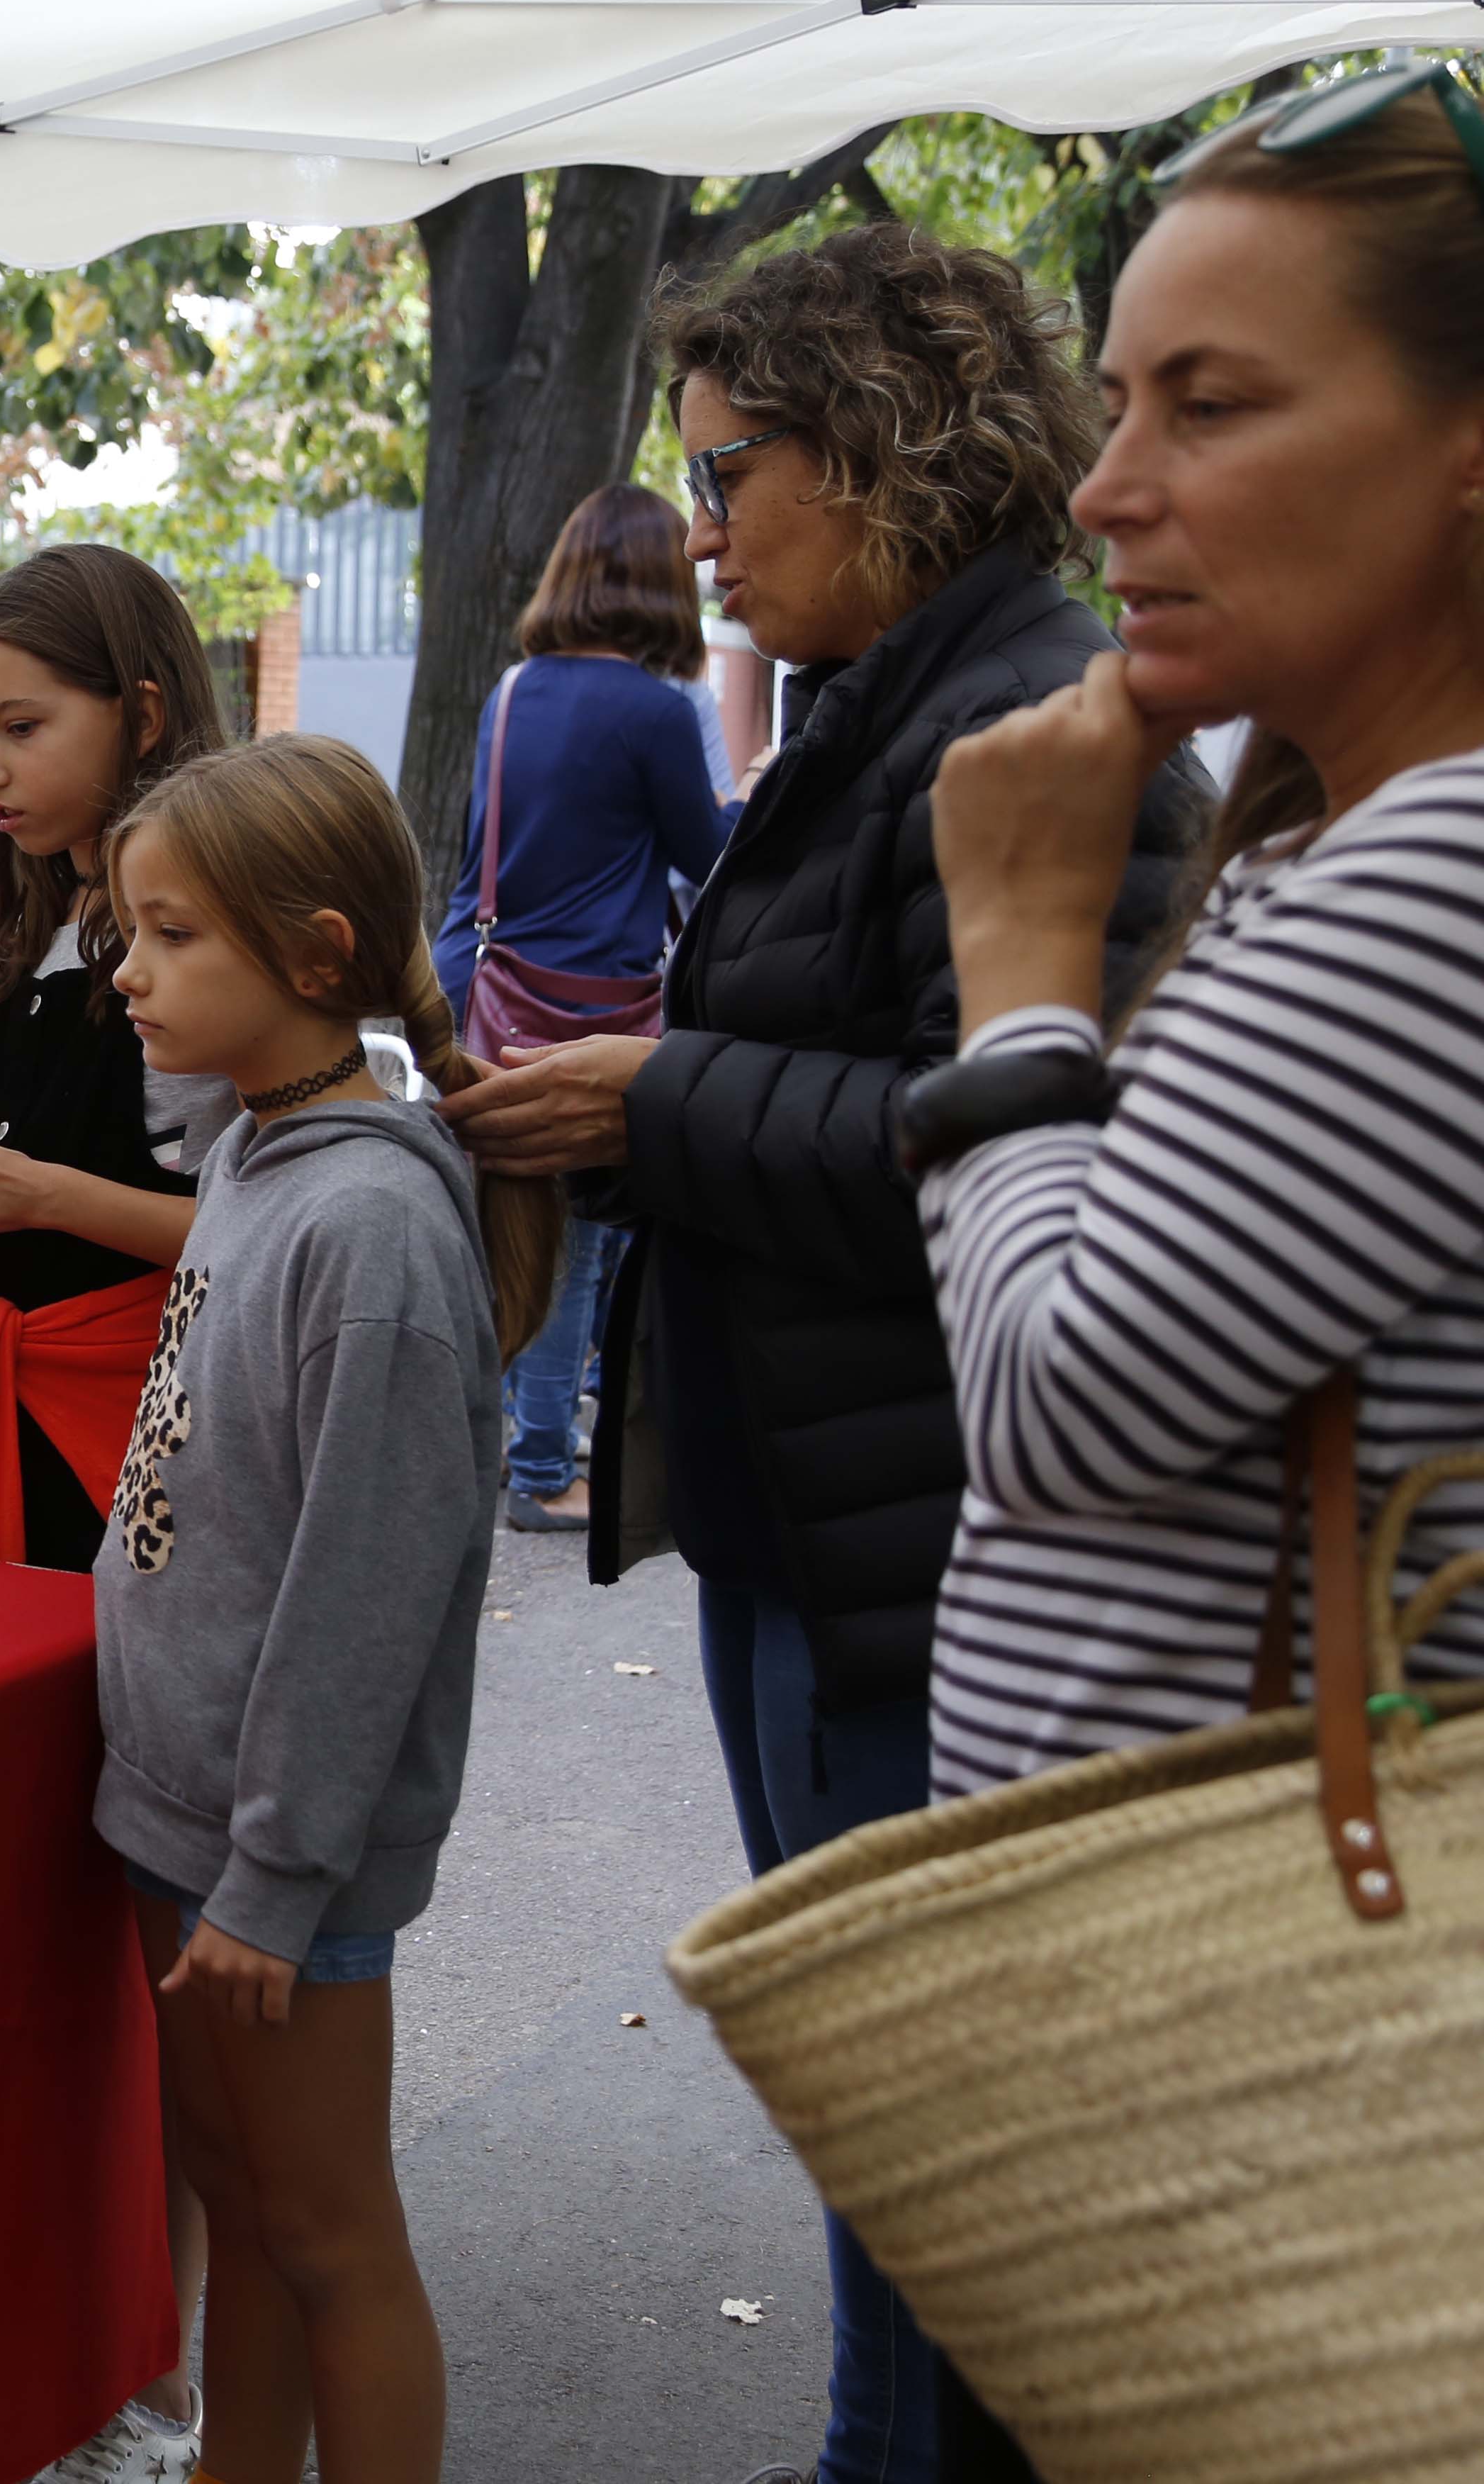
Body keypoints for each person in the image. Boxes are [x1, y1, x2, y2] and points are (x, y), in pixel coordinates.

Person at [436, 220, 1213, 2484]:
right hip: (818, 1518)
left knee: (942, 2139)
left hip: (929, 1552)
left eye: (731, 467)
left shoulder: (1038, 722)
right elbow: (875, 1057)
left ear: (888, 446)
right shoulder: (893, 697)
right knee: (883, 2113)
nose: (700, 527)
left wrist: (652, 1099)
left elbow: (1013, 1130)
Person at [909, 67, 1484, 2481]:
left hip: (1236, 2007)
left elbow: (1055, 1399)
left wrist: (1020, 950)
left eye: (1211, 402)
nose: (1107, 482)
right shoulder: (1343, 838)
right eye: (1118, 393)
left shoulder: (1427, 874)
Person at [98, 733, 558, 2484]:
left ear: (307, 953)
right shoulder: (258, 1150)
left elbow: (358, 1598)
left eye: (170, 936)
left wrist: (276, 1880)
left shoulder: (367, 1233)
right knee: (242, 2195)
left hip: (271, 1861)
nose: (127, 971)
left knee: (330, 2233)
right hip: (190, 1818)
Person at [0, 544, 230, 1576]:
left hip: (125, 1459)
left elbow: (268, 1237)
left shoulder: (201, 947)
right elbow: (48, 1172)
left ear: (144, 717)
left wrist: (42, 1193)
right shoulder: (43, 923)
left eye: (22, 729)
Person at [428, 483, 729, 1535]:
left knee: (511, 1229)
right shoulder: (651, 709)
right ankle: (546, 1465)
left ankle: (527, 1433)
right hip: (583, 1004)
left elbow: (483, 857)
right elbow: (710, 858)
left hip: (483, 985)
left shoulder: (513, 692)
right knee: (573, 1239)